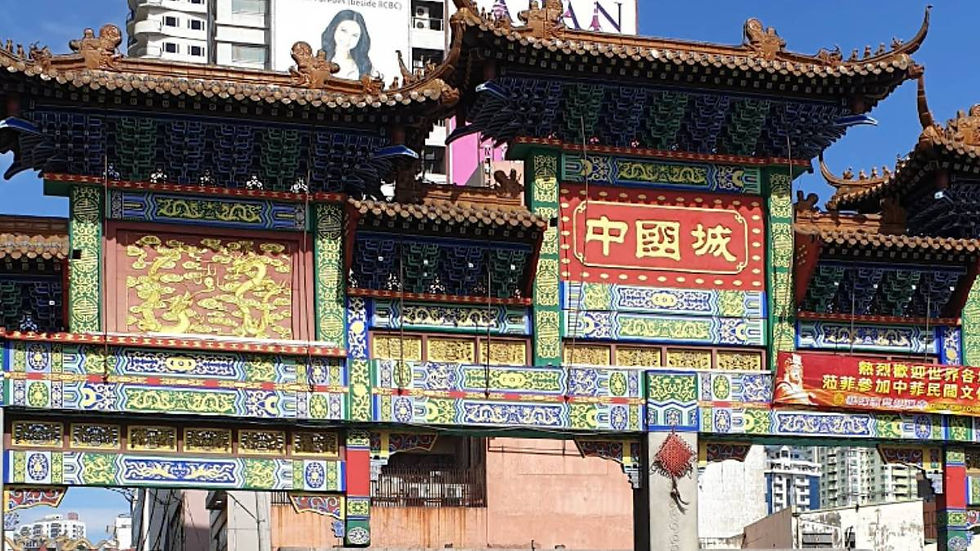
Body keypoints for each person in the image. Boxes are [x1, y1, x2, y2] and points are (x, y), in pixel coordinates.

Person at [321, 10, 373, 80]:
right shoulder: (320, 60)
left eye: (354, 35)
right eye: (344, 31)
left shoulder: (364, 67)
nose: (347, 39)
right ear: (334, 29)